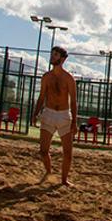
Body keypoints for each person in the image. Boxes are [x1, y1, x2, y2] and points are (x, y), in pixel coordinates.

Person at [32, 46, 78, 185]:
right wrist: (35, 114)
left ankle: (64, 180)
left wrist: (74, 121)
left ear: (62, 59)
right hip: (49, 114)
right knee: (43, 151)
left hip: (64, 115)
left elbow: (74, 101)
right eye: (52, 54)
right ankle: (49, 172)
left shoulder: (69, 78)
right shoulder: (46, 77)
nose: (52, 56)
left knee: (68, 154)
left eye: (56, 54)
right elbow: (41, 97)